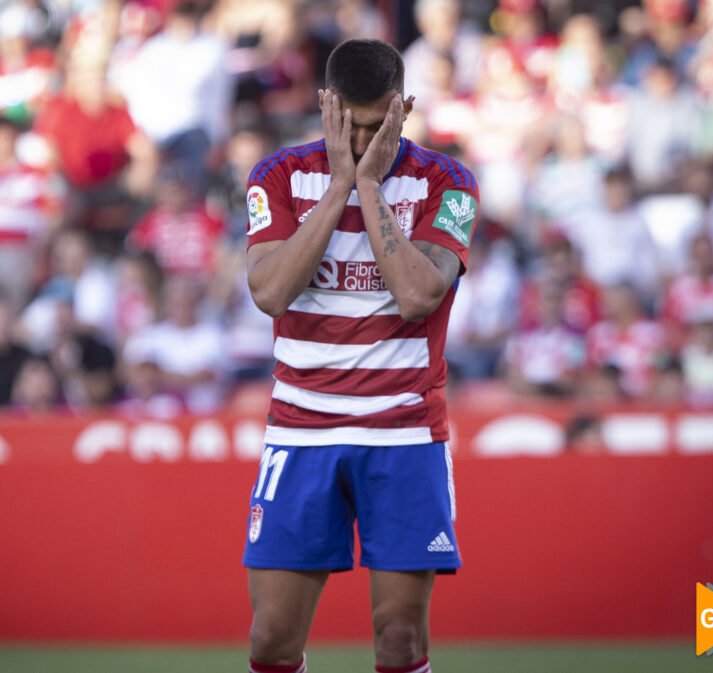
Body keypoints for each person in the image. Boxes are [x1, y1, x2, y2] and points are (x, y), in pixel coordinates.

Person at [242, 39, 479, 673]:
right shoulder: (279, 175)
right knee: (271, 639)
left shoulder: (449, 182)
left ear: (405, 107)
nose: (362, 138)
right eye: (349, 123)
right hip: (299, 431)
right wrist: (340, 183)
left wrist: (366, 182)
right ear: (325, 104)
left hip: (402, 433)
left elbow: (415, 295)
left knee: (399, 638)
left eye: (379, 126)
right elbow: (268, 291)